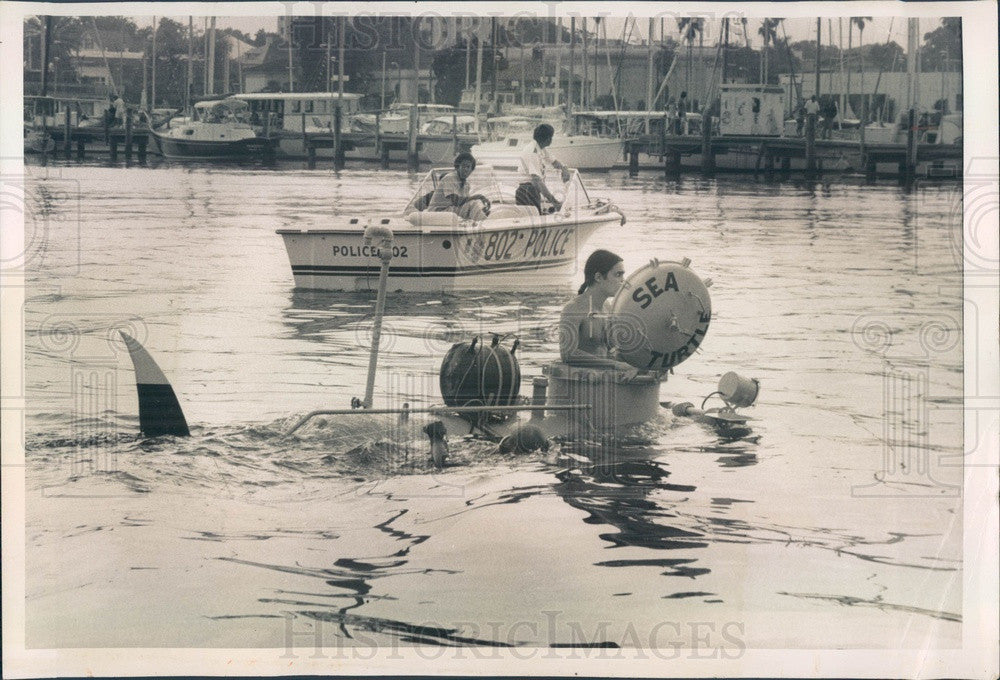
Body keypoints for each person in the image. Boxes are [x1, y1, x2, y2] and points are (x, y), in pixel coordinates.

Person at [559, 249, 639, 381]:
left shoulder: (609, 307)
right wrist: (617, 366)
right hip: (580, 384)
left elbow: (613, 350)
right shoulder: (573, 308)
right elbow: (568, 354)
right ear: (598, 277)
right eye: (618, 275)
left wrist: (645, 363)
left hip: (605, 382)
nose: (623, 281)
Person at [515, 123, 571, 214]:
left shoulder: (540, 148)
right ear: (548, 138)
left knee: (539, 216)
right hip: (527, 191)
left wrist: (564, 168)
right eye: (551, 137)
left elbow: (554, 162)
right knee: (533, 220)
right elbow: (537, 181)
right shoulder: (532, 152)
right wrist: (554, 201)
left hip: (532, 190)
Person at [426, 152, 490, 221]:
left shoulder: (466, 185)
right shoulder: (449, 178)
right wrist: (479, 197)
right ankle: (487, 224)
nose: (466, 169)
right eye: (463, 166)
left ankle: (484, 223)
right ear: (457, 167)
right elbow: (456, 201)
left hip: (449, 211)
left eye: (468, 167)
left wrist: (481, 210)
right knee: (472, 205)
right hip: (436, 212)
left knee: (474, 206)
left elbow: (464, 202)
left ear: (471, 170)